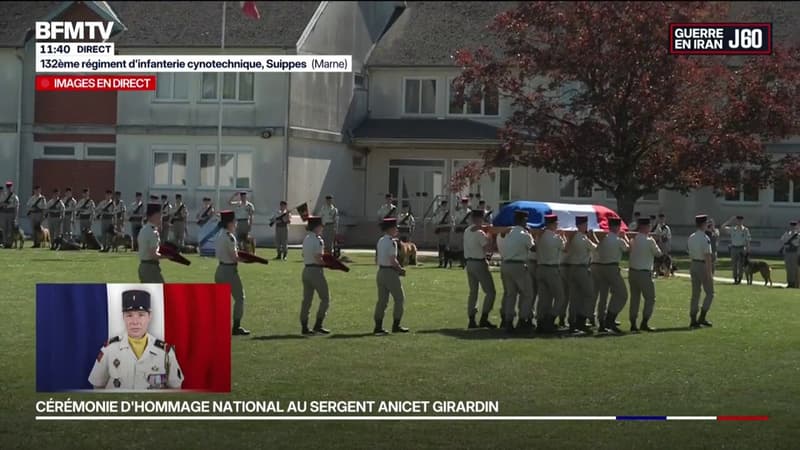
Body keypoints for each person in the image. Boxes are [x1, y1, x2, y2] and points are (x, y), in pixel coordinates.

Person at [88, 290, 183, 390]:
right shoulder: (109, 349)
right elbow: (97, 386)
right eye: (129, 315)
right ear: (123, 317)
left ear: (149, 316)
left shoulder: (165, 353)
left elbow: (175, 389)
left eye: (141, 315)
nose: (135, 322)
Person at [498, 210, 535, 333]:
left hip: (506, 264)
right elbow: (533, 248)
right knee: (527, 294)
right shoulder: (524, 234)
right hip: (518, 265)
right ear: (524, 221)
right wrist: (531, 235)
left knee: (510, 294)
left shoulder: (509, 232)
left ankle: (508, 320)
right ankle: (523, 319)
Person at [215, 210, 250, 335]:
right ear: (230, 222)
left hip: (219, 269)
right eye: (234, 221)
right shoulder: (230, 237)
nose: (236, 224)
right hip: (229, 271)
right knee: (240, 298)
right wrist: (248, 259)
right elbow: (234, 257)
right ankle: (236, 326)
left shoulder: (220, 235)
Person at [594, 218, 630, 333]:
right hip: (612, 267)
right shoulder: (618, 240)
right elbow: (628, 248)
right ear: (617, 227)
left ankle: (601, 322)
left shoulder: (604, 239)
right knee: (622, 294)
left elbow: (597, 249)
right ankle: (610, 318)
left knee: (603, 296)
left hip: (601, 267)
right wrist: (625, 237)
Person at [563, 216, 598, 333]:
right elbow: (596, 248)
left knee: (575, 298)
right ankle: (581, 320)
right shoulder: (583, 238)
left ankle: (572, 322)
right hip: (581, 268)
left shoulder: (573, 237)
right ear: (582, 225)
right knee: (589, 295)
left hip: (572, 268)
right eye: (585, 225)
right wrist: (593, 237)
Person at [373, 218, 408, 335]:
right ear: (391, 229)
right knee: (399, 298)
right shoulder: (392, 242)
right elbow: (393, 260)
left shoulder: (381, 240)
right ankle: (396, 324)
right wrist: (400, 270)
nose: (397, 230)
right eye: (395, 228)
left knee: (382, 301)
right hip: (390, 272)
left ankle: (378, 326)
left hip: (381, 271)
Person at [463, 209, 497, 329]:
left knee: (473, 292)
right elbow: (487, 247)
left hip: (469, 263)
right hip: (479, 263)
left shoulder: (467, 230)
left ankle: (472, 319)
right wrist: (490, 236)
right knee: (490, 292)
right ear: (480, 219)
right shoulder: (480, 233)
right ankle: (484, 318)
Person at [628, 217, 662, 332]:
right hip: (644, 272)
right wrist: (655, 241)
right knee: (650, 298)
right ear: (646, 227)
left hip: (632, 272)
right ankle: (644, 322)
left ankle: (633, 323)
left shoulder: (633, 239)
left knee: (634, 299)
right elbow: (658, 254)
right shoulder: (649, 240)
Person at [535, 214, 567, 333]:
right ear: (553, 224)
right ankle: (550, 320)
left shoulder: (540, 236)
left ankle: (540, 321)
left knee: (544, 298)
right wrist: (563, 236)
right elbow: (564, 248)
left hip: (540, 268)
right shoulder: (556, 238)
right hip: (552, 269)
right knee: (560, 297)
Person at [301, 215, 332, 335]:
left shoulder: (306, 238)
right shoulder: (318, 240)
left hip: (306, 270)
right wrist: (328, 265)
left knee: (307, 300)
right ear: (317, 227)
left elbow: (304, 255)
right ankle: (318, 325)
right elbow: (318, 258)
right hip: (315, 271)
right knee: (325, 298)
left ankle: (304, 326)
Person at [688, 215, 715, 328]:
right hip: (702, 265)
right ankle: (702, 317)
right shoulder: (705, 238)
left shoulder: (691, 237)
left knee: (695, 293)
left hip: (693, 264)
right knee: (710, 293)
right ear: (704, 224)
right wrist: (709, 273)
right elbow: (708, 256)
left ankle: (693, 318)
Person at [138, 203, 165, 283]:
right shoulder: (152, 232)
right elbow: (153, 255)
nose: (161, 218)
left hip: (143, 267)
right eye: (160, 215)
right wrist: (169, 256)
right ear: (155, 216)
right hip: (150, 268)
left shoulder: (143, 229)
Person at [721, 215, 751, 285]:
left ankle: (740, 279)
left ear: (742, 221)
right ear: (736, 221)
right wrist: (729, 221)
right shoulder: (733, 229)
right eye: (738, 220)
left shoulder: (745, 230)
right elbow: (722, 227)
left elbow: (748, 240)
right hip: (734, 248)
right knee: (734, 265)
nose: (739, 222)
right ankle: (735, 279)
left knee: (741, 265)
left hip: (741, 248)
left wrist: (748, 249)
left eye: (741, 221)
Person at [433, 200, 452, 268]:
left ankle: (448, 262)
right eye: (443, 205)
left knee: (447, 248)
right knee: (440, 248)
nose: (444, 207)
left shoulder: (448, 214)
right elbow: (435, 222)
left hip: (446, 232)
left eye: (445, 206)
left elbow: (452, 223)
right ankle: (440, 261)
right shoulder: (439, 214)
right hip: (440, 232)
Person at [780, 221, 799, 289]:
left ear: (796, 226)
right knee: (788, 268)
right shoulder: (787, 233)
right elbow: (782, 240)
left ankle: (795, 283)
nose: (793, 227)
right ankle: (789, 283)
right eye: (791, 225)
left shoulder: (798, 235)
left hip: (794, 252)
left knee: (794, 269)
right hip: (788, 252)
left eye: (794, 225)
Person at [1, 181, 20, 248]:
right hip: (3, 213)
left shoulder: (15, 196)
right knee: (4, 229)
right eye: (7, 187)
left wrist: (15, 216)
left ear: (12, 187)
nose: (9, 188)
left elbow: (16, 207)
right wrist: (3, 204)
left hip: (11, 213)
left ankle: (10, 243)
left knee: (10, 229)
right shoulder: (3, 195)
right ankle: (5, 243)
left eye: (10, 187)